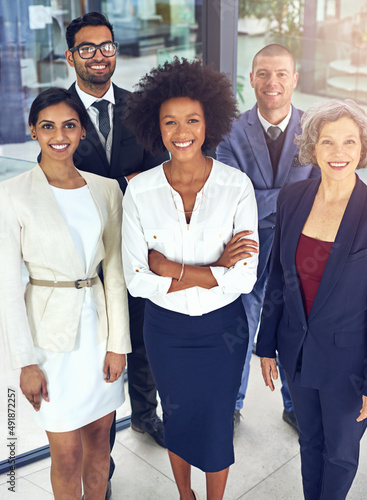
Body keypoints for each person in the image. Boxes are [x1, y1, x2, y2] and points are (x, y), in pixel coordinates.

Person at [121, 58, 259, 500]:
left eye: (193, 120)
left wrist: (171, 269)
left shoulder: (236, 187)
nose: (182, 131)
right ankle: (186, 495)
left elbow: (244, 278)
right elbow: (136, 280)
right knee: (176, 415)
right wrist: (214, 270)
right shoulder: (140, 191)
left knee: (218, 417)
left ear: (209, 122)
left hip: (224, 328)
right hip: (165, 328)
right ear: (156, 127)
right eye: (170, 122)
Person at [0, 87, 131, 500]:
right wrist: (25, 363)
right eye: (48, 126)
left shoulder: (105, 189)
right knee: (67, 455)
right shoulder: (12, 194)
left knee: (99, 449)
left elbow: (115, 272)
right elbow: (6, 286)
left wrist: (118, 345)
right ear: (34, 132)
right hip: (49, 344)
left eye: (69, 125)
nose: (60, 135)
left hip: (99, 336)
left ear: (82, 132)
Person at [64, 11, 168, 488]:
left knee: (142, 342)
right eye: (87, 48)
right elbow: (56, 181)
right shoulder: (56, 111)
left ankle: (146, 416)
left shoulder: (140, 107)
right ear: (71, 57)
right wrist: (121, 183)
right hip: (82, 257)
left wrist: (120, 184)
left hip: (136, 248)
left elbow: (158, 172)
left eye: (106, 46)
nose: (99, 56)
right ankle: (98, 466)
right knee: (96, 357)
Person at [257, 98, 367, 500]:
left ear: (363, 148)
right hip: (296, 352)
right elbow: (275, 275)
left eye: (349, 142)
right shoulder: (293, 197)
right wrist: (266, 344)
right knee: (310, 443)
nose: (338, 153)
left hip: (350, 365)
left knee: (340, 454)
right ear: (312, 148)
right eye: (327, 142)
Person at [216, 44, 320, 431]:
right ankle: (232, 404)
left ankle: (296, 406)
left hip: (301, 252)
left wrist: (256, 197)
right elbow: (230, 194)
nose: (271, 82)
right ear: (252, 79)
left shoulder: (316, 130)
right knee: (239, 329)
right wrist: (294, 197)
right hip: (246, 247)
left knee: (299, 328)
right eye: (263, 73)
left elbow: (325, 194)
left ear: (294, 79)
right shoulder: (228, 131)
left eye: (280, 74)